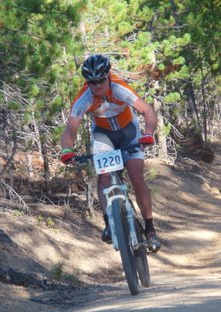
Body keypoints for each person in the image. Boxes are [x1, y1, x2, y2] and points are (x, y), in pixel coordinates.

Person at [60, 54, 161, 253]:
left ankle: (150, 229)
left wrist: (148, 133)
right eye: (92, 82)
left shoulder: (119, 87)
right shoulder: (84, 98)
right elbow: (70, 129)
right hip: (103, 136)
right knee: (104, 177)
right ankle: (109, 223)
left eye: (101, 80)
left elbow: (147, 110)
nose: (97, 86)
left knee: (136, 174)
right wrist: (66, 150)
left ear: (108, 76)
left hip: (128, 133)